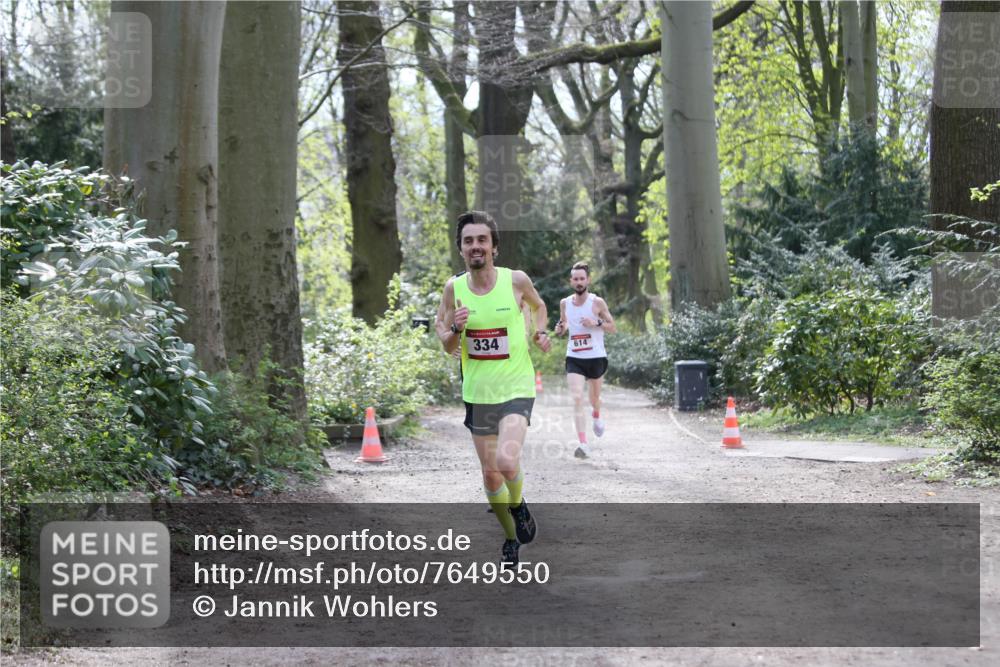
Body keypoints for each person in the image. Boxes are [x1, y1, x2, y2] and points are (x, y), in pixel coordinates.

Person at [435, 211, 552, 565]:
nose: (475, 247)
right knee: (489, 473)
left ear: (494, 247)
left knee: (505, 460)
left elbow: (539, 306)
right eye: (468, 241)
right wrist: (454, 329)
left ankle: (519, 506)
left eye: (482, 240)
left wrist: (539, 331)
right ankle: (510, 537)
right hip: (477, 393)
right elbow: (446, 343)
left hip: (516, 387)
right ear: (461, 249)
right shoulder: (453, 289)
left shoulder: (515, 281)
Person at [553, 262, 616, 459]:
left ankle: (596, 416)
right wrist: (560, 329)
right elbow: (563, 323)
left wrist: (595, 322)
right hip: (574, 356)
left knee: (593, 399)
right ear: (571, 281)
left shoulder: (597, 303)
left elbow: (612, 326)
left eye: (582, 279)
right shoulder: (565, 303)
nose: (579, 282)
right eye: (575, 279)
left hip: (596, 357)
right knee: (577, 397)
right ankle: (583, 444)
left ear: (588, 280)